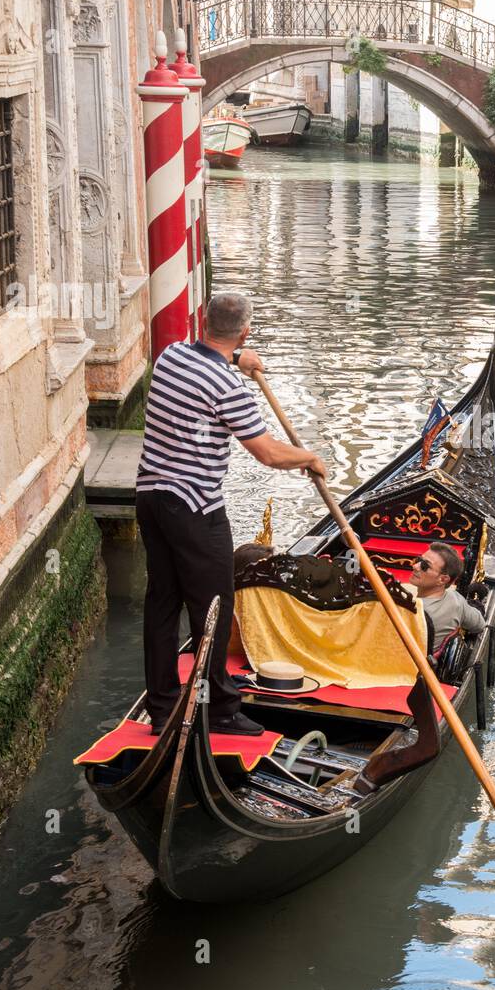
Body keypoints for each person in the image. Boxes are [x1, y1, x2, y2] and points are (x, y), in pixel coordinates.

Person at [135, 293, 328, 736]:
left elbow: (214, 352)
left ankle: (162, 707)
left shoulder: (171, 356)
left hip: (151, 497)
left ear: (204, 322)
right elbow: (266, 453)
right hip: (196, 509)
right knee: (215, 609)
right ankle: (219, 708)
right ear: (245, 330)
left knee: (162, 602)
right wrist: (308, 457)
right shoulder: (228, 388)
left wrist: (237, 356)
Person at [408, 542, 486, 651]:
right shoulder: (456, 599)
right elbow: (479, 624)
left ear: (443, 579)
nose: (415, 566)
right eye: (418, 560)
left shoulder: (410, 612)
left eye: (425, 566)